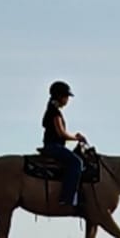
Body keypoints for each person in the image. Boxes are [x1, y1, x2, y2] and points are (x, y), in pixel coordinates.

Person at [41, 80, 88, 208]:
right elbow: (61, 133)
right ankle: (68, 197)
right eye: (66, 96)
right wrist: (77, 138)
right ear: (60, 96)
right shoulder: (55, 113)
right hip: (53, 147)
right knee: (77, 162)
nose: (67, 99)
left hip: (52, 146)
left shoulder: (52, 110)